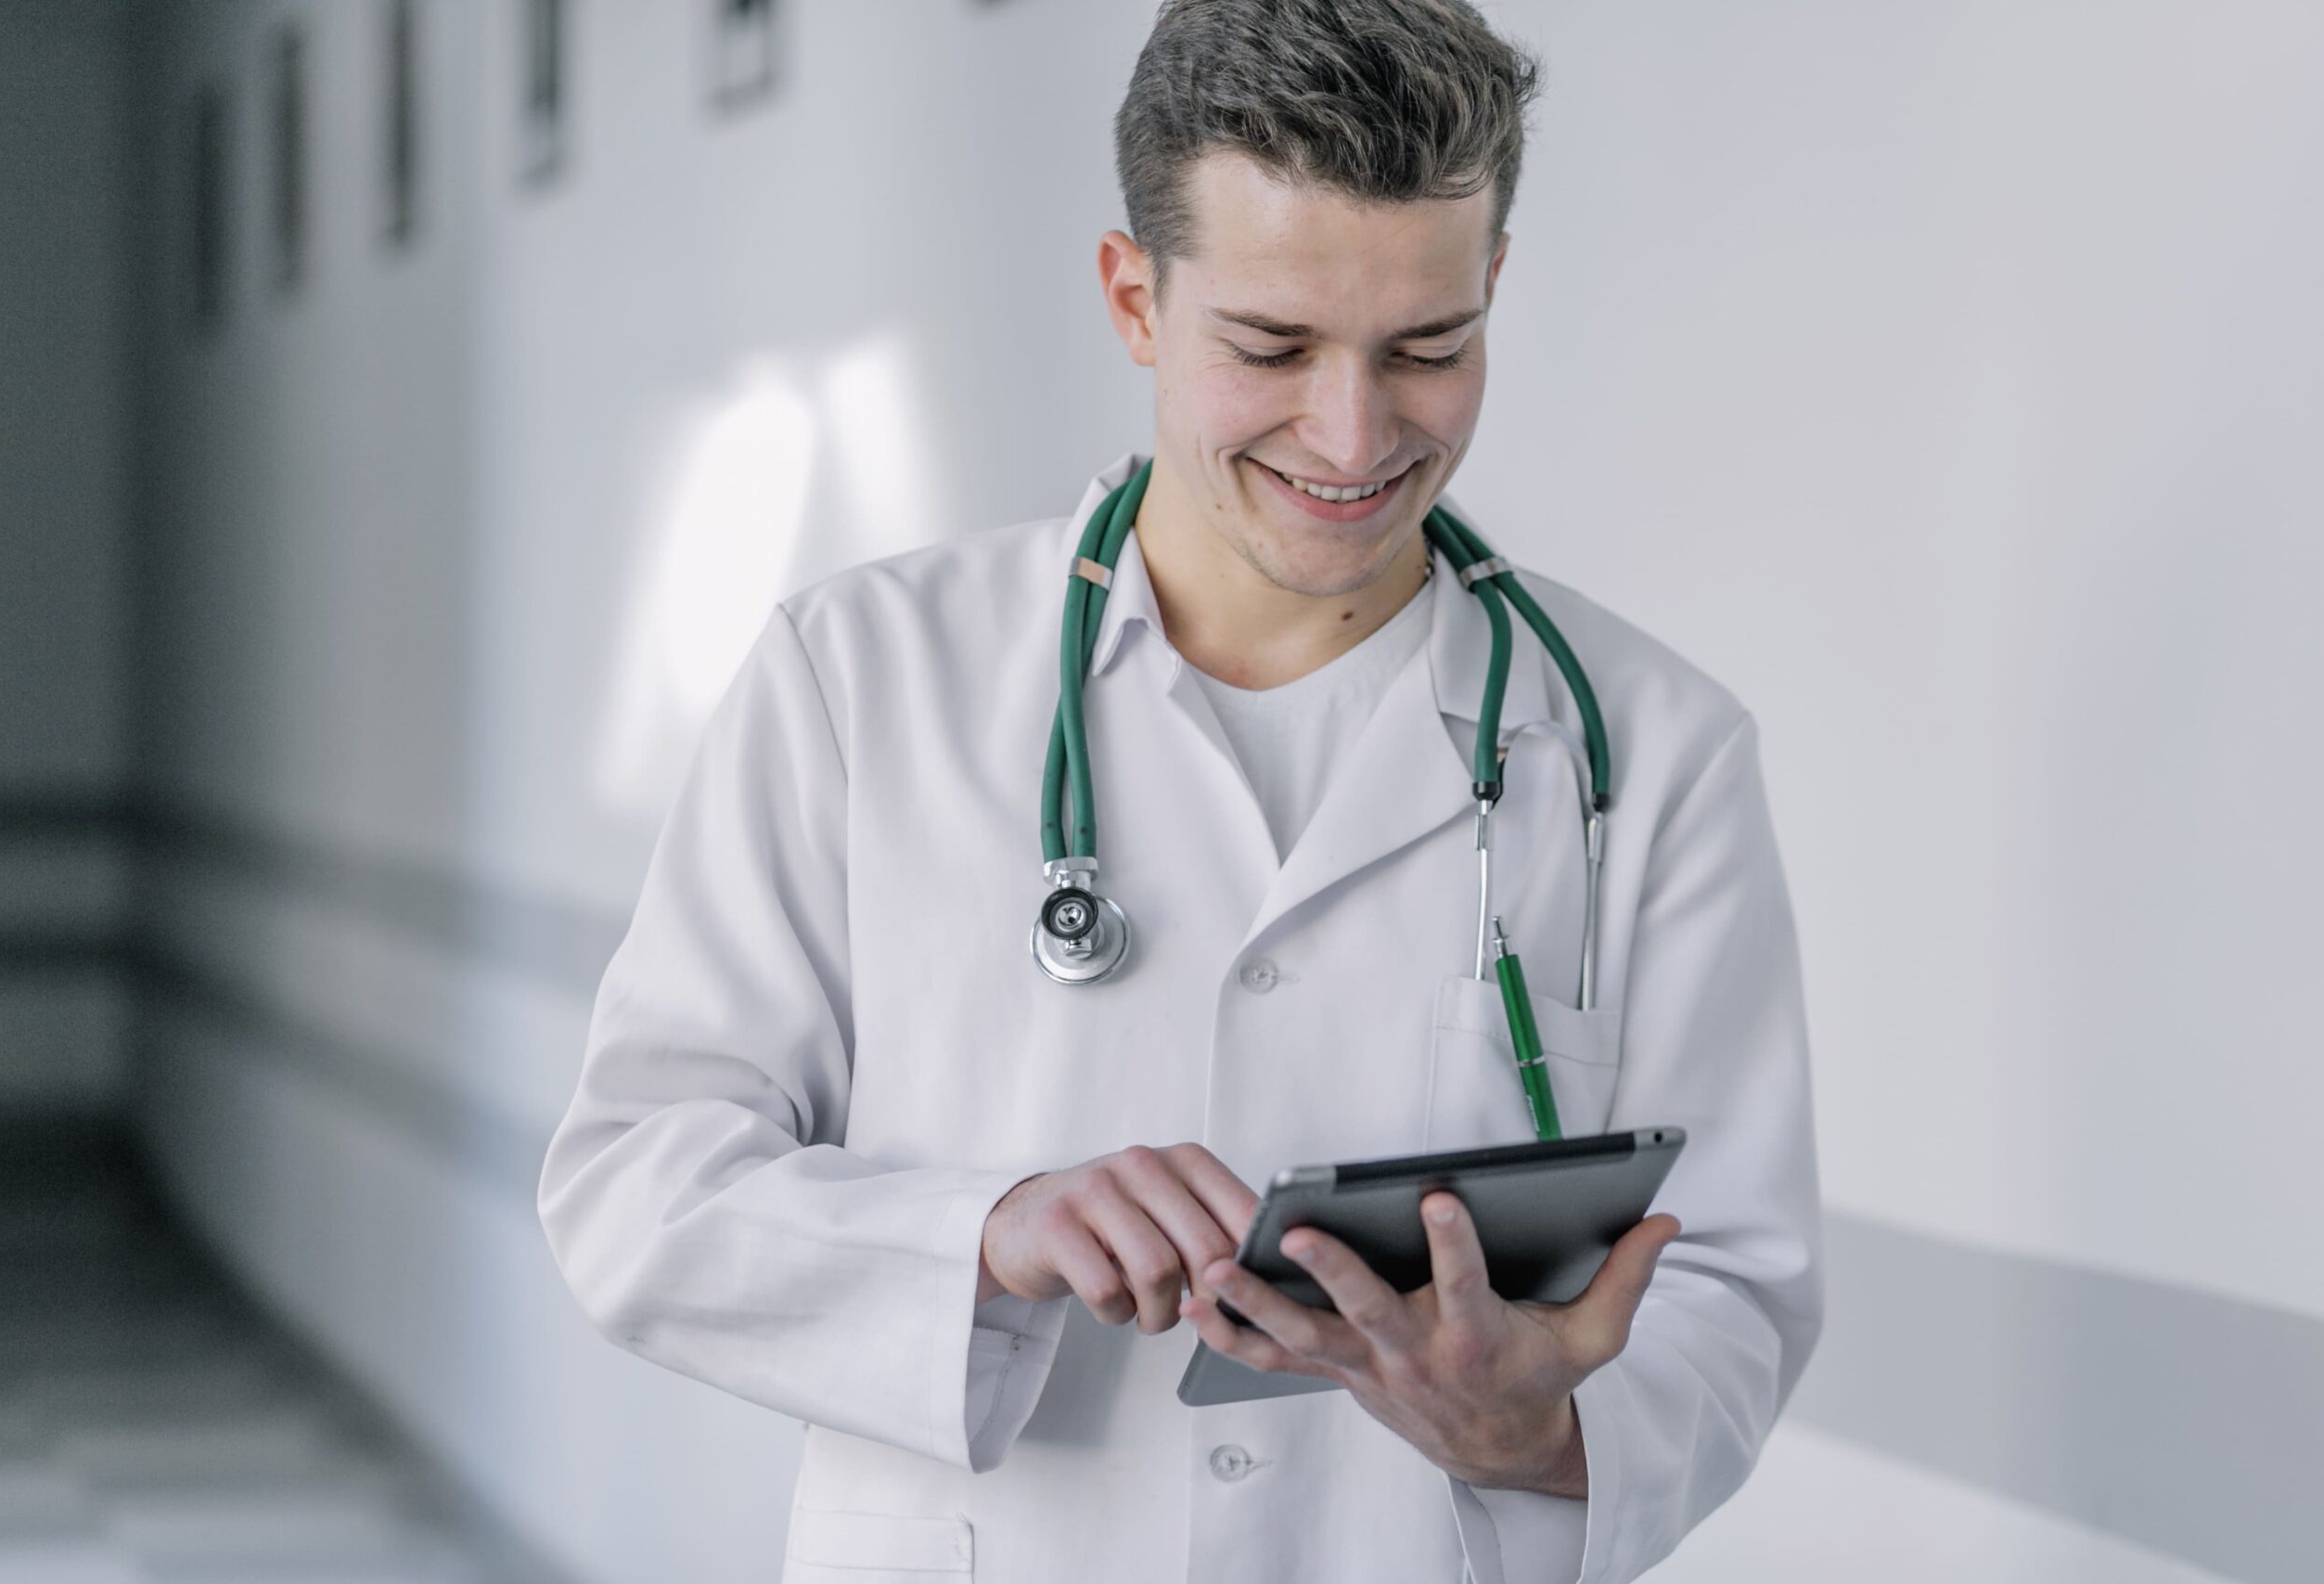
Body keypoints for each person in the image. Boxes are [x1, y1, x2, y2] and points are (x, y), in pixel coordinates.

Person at [536, 2, 1823, 1580]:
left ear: (1491, 287)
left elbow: (1735, 1281)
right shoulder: (861, 680)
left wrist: (1537, 1434)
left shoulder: (1650, 750)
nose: (1352, 436)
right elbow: (635, 1187)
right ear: (1134, 298)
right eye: (1271, 347)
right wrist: (983, 1235)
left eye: (1427, 349)